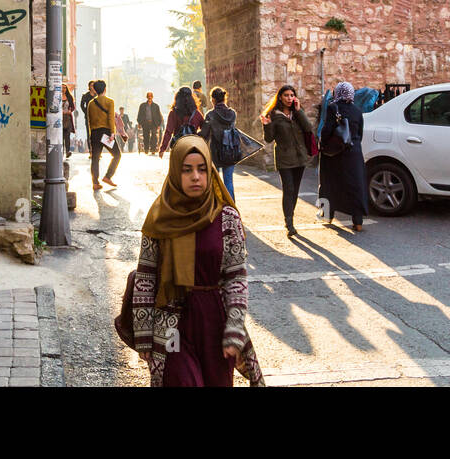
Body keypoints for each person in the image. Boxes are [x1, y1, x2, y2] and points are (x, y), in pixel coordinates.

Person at [131, 136, 264, 386]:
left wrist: (235, 328)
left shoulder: (226, 217)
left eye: (202, 169)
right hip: (172, 324)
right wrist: (143, 333)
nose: (195, 177)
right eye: (187, 169)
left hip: (215, 323)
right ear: (175, 172)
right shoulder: (160, 217)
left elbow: (236, 277)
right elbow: (145, 276)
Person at [261, 84, 314, 237]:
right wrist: (266, 125)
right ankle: (289, 222)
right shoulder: (273, 115)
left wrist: (299, 111)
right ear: (280, 97)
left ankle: (290, 217)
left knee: (295, 190)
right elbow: (269, 139)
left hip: (300, 158)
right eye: (286, 95)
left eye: (292, 95)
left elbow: (308, 127)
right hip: (284, 158)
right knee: (288, 189)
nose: (289, 98)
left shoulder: (297, 112)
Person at [319, 81, 368, 232]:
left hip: (334, 154)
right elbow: (359, 133)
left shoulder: (333, 108)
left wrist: (323, 142)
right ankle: (357, 221)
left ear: (337, 93)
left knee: (330, 185)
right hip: (353, 154)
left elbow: (327, 130)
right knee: (355, 186)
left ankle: (328, 215)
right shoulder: (357, 111)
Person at [200, 87, 240, 198]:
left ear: (213, 100)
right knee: (229, 182)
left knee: (215, 182)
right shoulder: (232, 114)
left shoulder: (210, 115)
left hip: (215, 153)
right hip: (230, 151)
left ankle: (217, 207)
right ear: (224, 98)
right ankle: (231, 208)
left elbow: (204, 134)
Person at [86, 79, 118, 190]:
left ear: (94, 90)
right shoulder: (110, 101)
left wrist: (91, 136)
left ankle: (95, 182)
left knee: (95, 158)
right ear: (105, 89)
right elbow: (110, 118)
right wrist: (112, 133)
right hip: (106, 133)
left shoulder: (90, 103)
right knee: (117, 155)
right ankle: (108, 176)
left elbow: (89, 121)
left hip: (94, 133)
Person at [159, 86, 204, 156]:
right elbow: (204, 130)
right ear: (192, 99)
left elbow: (168, 131)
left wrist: (162, 149)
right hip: (193, 148)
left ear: (177, 98)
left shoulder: (173, 113)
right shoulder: (196, 114)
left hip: (178, 147)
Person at [61, 82, 76, 157]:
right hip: (60, 119)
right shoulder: (57, 96)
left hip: (68, 118)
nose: (63, 89)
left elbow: (73, 107)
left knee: (67, 135)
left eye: (64, 87)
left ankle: (67, 151)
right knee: (61, 136)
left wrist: (70, 111)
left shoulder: (69, 97)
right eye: (62, 87)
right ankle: (61, 152)